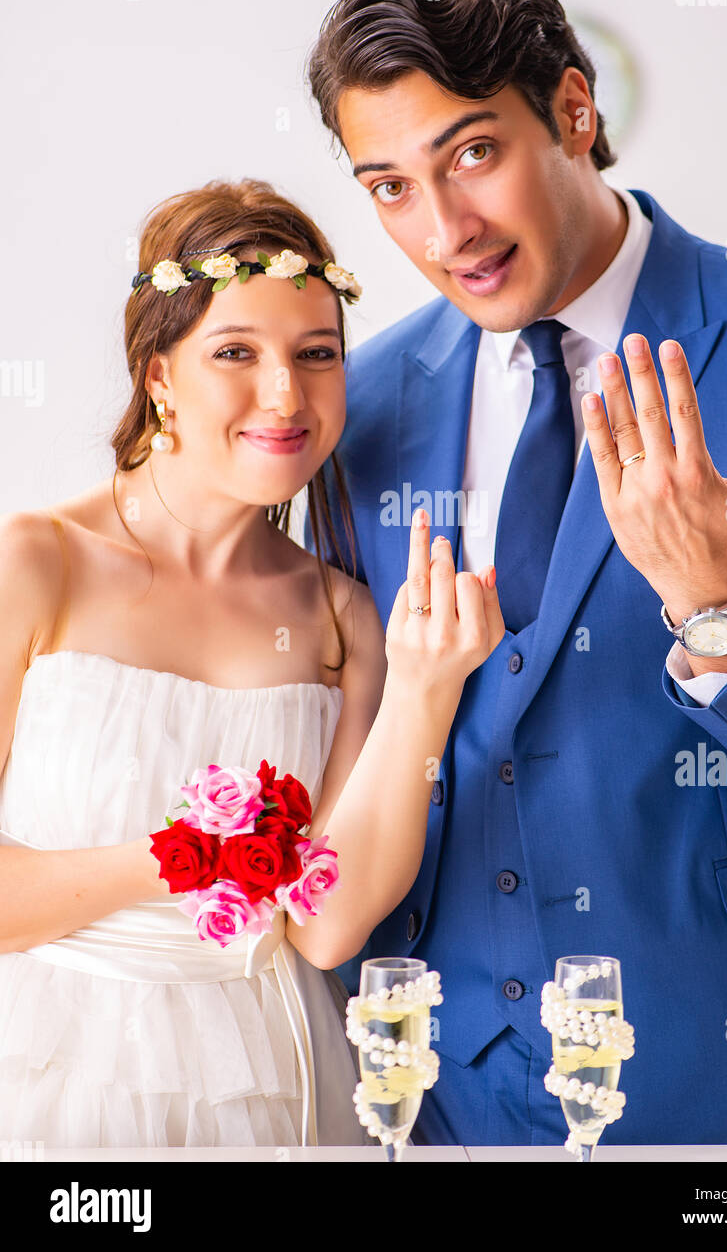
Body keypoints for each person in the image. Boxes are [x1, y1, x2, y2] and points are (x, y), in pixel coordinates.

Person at [303, 0, 727, 1146]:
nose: (446, 226)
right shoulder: (368, 405)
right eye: (390, 185)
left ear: (573, 108)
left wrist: (723, 611)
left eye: (472, 153)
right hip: (442, 1100)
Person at [0, 176, 504, 1147]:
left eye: (317, 356)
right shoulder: (37, 563)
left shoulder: (341, 615)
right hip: (50, 1064)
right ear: (158, 376)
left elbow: (326, 925)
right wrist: (180, 857)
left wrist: (426, 691)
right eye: (236, 353)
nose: (286, 395)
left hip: (271, 1075)